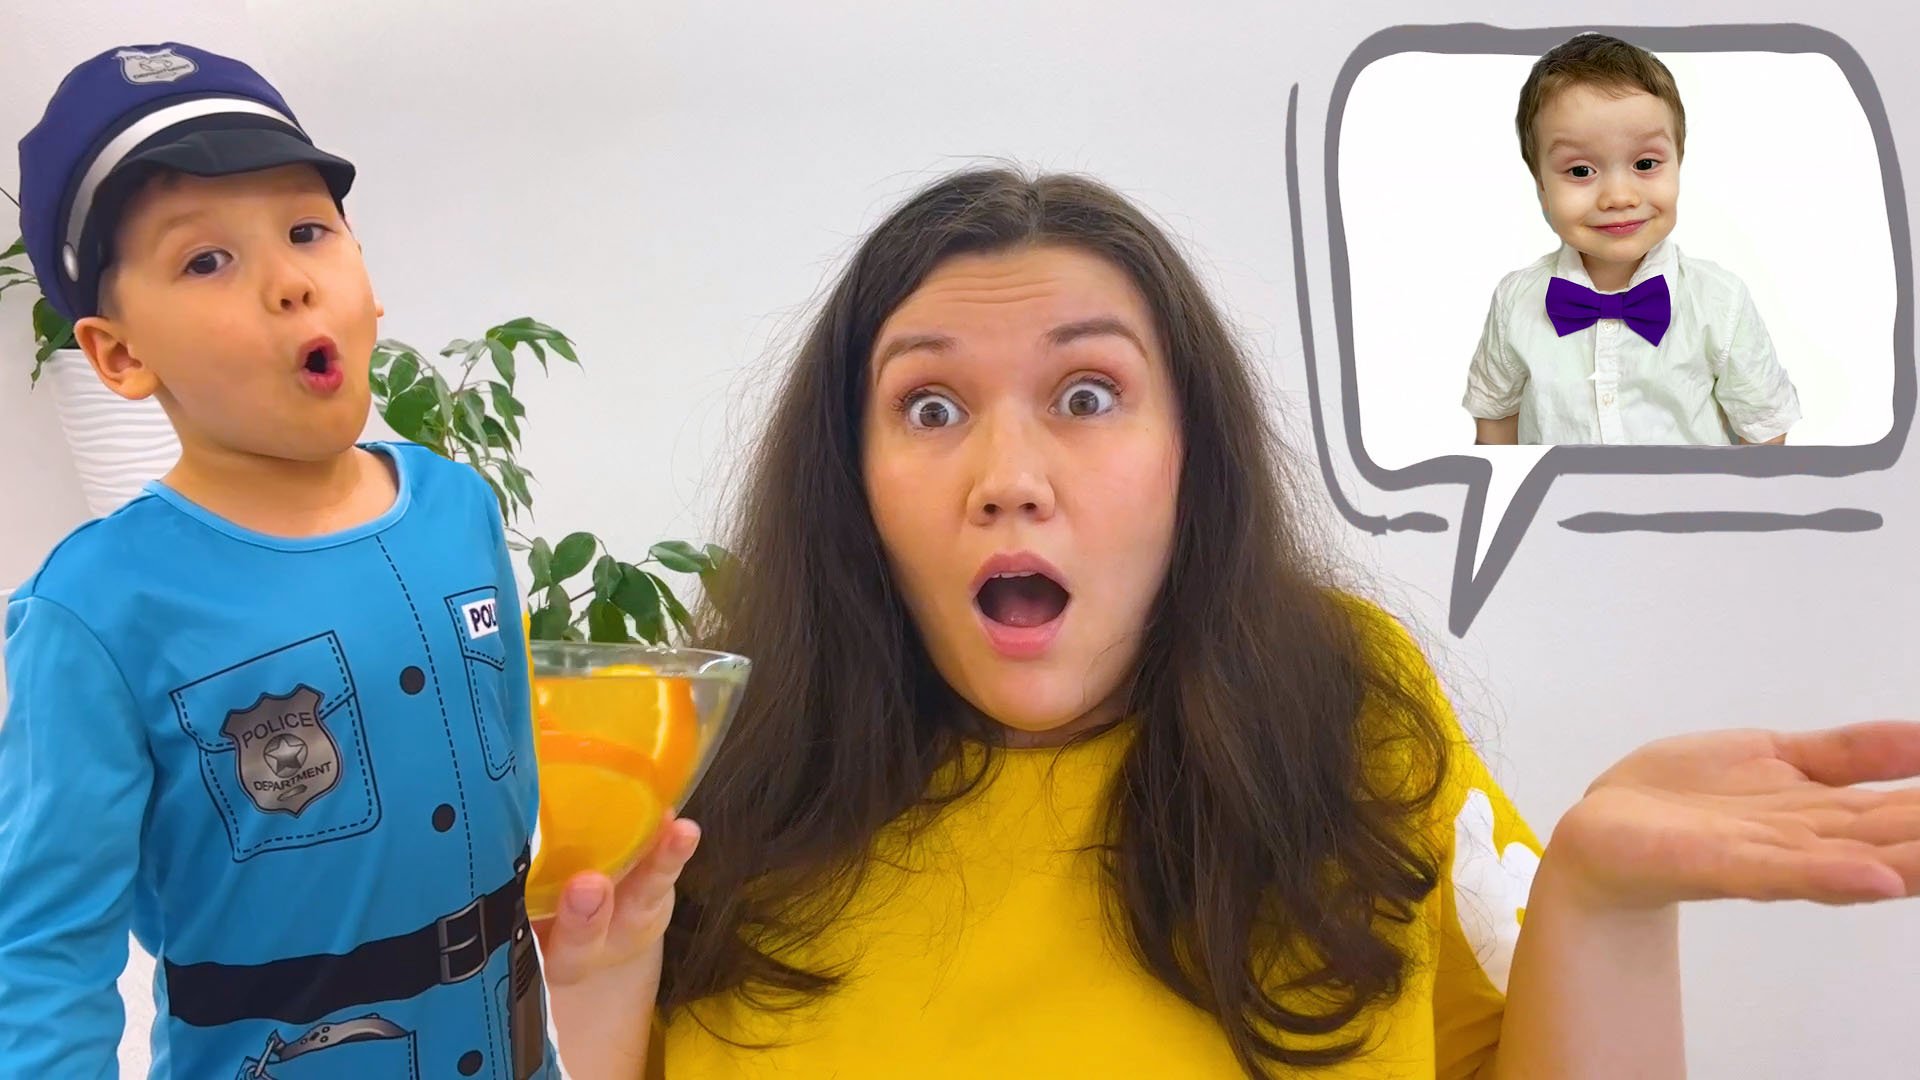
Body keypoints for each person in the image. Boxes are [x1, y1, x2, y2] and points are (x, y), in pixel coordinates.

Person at [530, 167, 1919, 1079]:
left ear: (1194, 454)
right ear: (852, 478)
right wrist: (591, 974)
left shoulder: (1343, 705)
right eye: (930, 407)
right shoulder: (721, 767)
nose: (1008, 478)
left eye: (1087, 396)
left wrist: (1603, 902)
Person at [0, 43, 553, 1078]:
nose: (291, 283)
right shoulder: (99, 609)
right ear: (120, 352)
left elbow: (518, 803)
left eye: (308, 231)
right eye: (207, 259)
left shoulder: (459, 511)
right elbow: (42, 956)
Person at [1462, 32, 1802, 447]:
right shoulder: (1516, 302)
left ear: (1678, 164)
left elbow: (1764, 428)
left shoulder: (1720, 302)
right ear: (1542, 188)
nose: (1619, 197)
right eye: (1581, 171)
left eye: (1645, 163)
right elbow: (1496, 418)